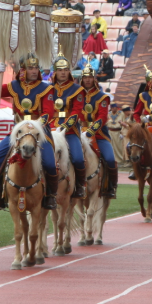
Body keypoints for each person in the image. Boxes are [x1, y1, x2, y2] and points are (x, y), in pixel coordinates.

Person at [0, 53, 58, 213]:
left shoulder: (47, 88)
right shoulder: (14, 86)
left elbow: (48, 114)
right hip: (18, 133)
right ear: (23, 69)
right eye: (30, 67)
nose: (34, 70)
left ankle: (51, 195)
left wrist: (34, 127)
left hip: (39, 133)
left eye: (36, 67)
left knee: (50, 164)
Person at [49, 50, 86, 198]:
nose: (63, 73)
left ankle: (80, 186)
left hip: (69, 131)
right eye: (60, 70)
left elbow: (76, 113)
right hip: (50, 129)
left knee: (78, 158)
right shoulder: (47, 89)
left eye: (65, 70)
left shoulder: (77, 90)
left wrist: (64, 127)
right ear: (55, 72)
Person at [80, 65, 118, 198]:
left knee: (110, 160)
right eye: (85, 77)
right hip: (79, 132)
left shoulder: (102, 97)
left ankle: (111, 186)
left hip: (99, 134)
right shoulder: (77, 95)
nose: (87, 80)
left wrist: (90, 132)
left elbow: (102, 117)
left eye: (90, 77)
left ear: (94, 78)